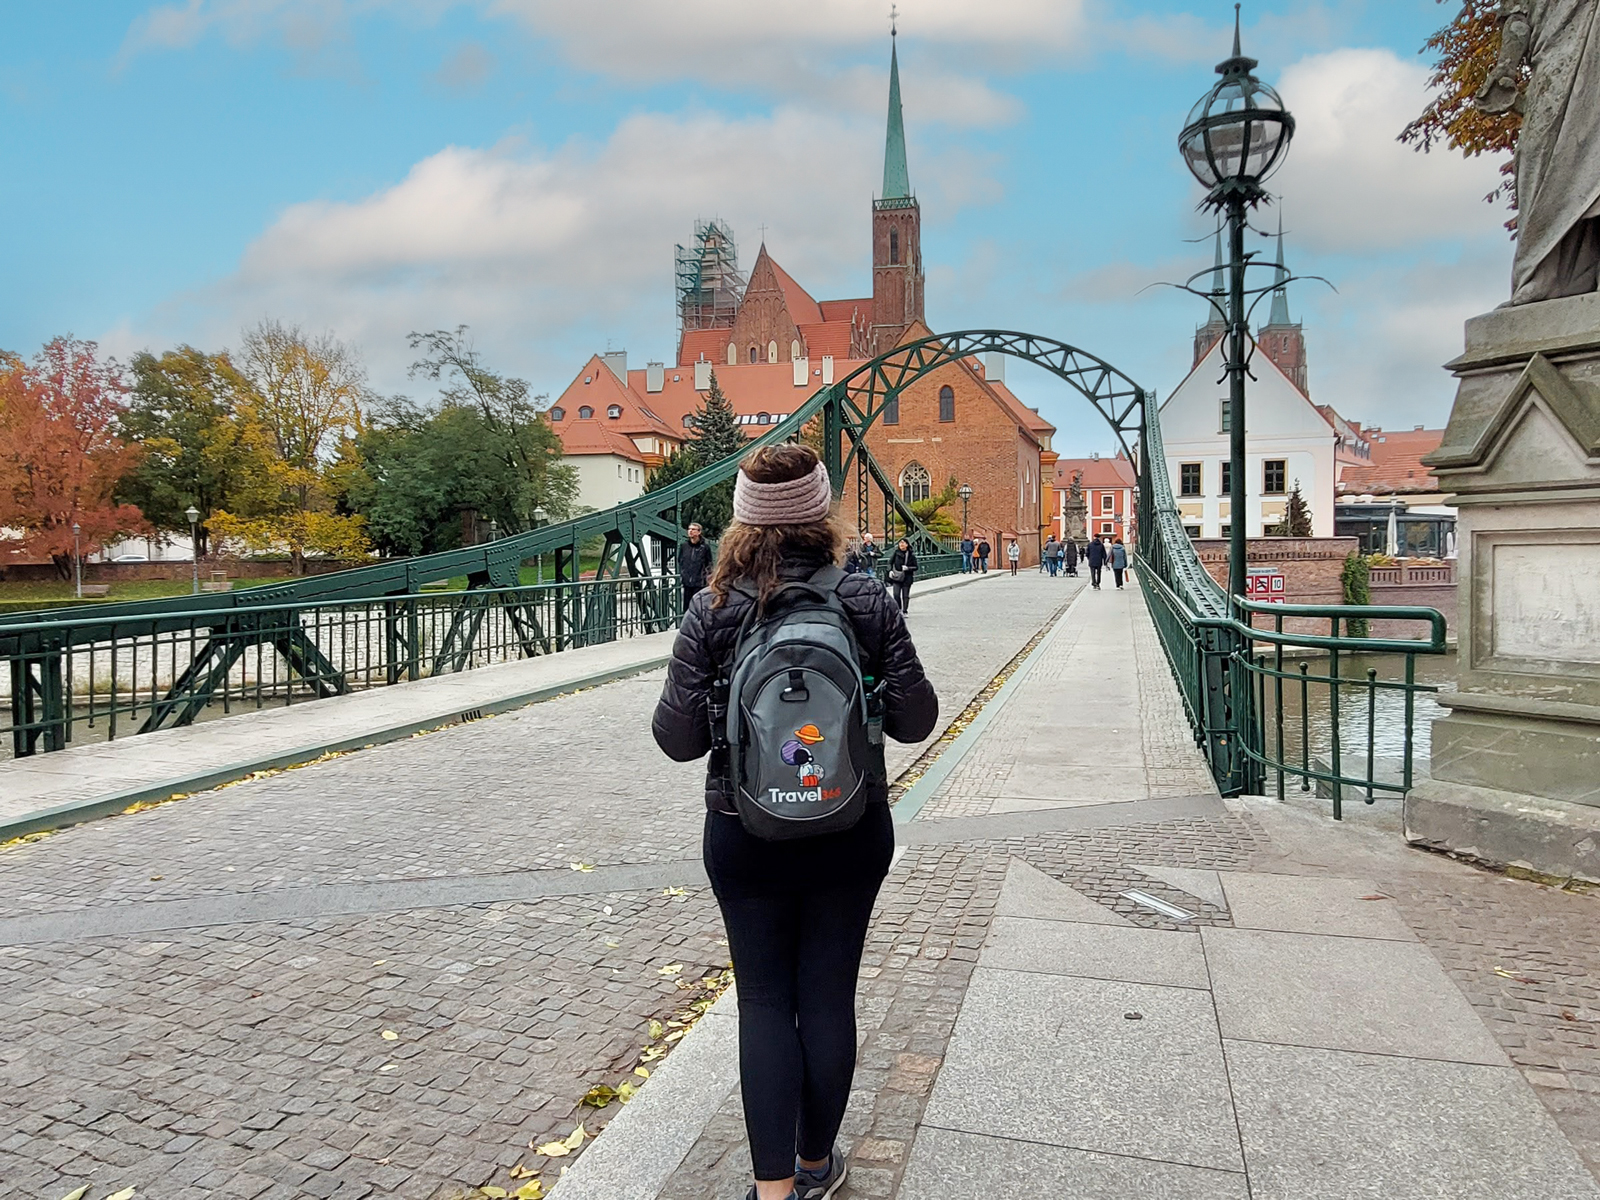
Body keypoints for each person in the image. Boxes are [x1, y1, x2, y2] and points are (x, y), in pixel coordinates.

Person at [651, 443, 938, 1200]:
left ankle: (774, 1192)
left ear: (741, 522)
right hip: (850, 828)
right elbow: (917, 720)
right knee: (828, 997)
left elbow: (676, 740)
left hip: (743, 834)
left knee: (766, 1004)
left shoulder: (712, 606)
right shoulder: (865, 597)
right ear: (822, 513)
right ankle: (818, 1165)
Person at [678, 522, 714, 612]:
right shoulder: (684, 546)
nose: (690, 531)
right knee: (686, 608)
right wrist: (683, 574)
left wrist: (706, 578)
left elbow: (709, 564)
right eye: (689, 529)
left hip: (699, 583)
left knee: (698, 608)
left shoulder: (705, 547)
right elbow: (680, 560)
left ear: (699, 532)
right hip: (687, 583)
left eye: (693, 529)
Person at [887, 537, 918, 613]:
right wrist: (890, 570)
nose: (901, 544)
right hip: (897, 577)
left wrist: (908, 568)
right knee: (896, 594)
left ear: (907, 545)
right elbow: (890, 562)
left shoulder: (911, 555)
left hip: (907, 577)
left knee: (905, 595)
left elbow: (916, 567)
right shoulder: (896, 553)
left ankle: (905, 610)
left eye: (903, 543)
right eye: (900, 543)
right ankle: (899, 609)